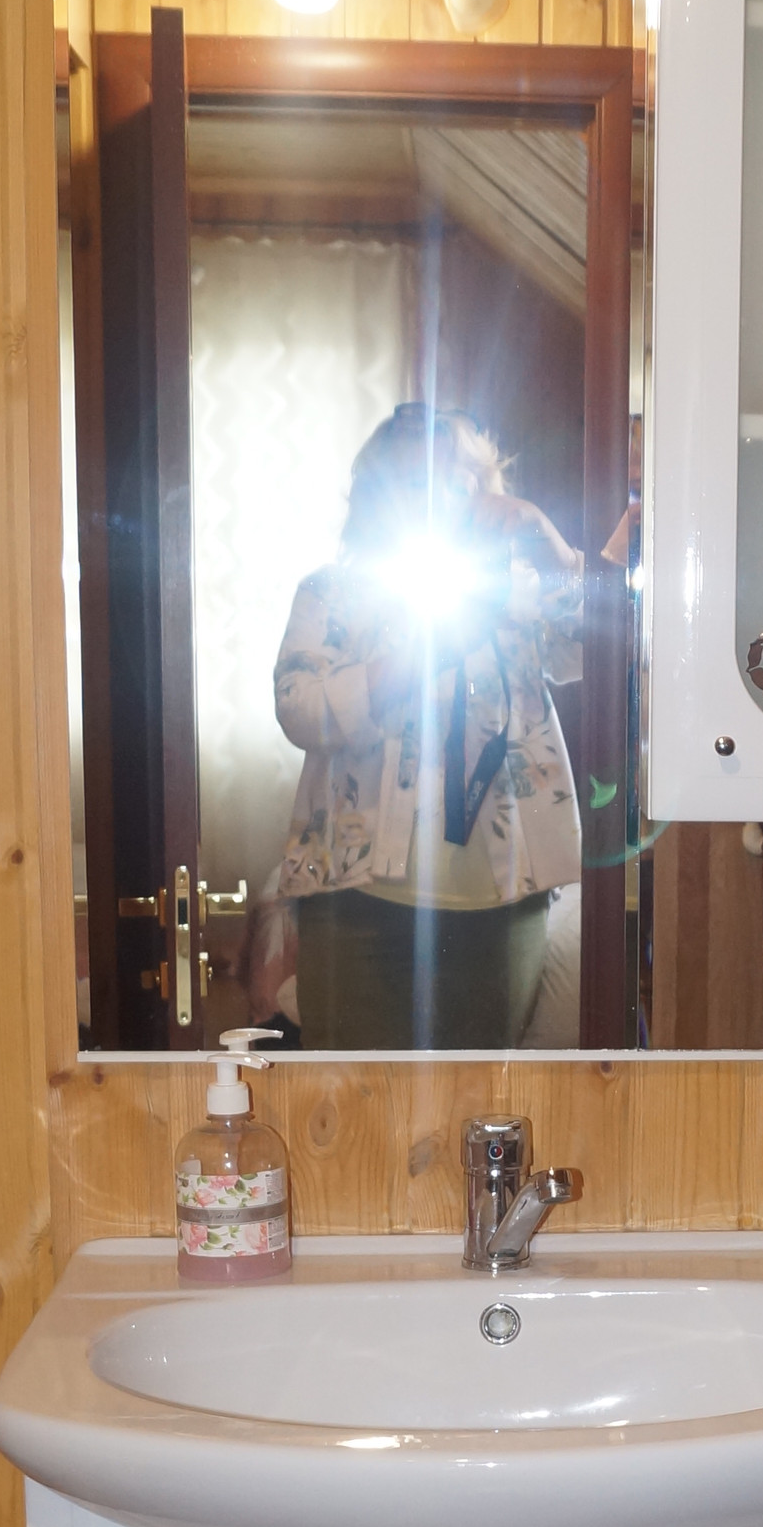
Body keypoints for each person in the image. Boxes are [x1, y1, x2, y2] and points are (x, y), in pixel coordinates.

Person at [274, 405, 583, 1049]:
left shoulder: (522, 589)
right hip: (357, 901)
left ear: (482, 487)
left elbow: (603, 653)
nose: (438, 496)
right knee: (350, 1098)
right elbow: (298, 707)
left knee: (484, 1099)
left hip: (501, 904)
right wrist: (419, 654)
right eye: (414, 481)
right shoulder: (335, 592)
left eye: (456, 478)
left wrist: (544, 537)